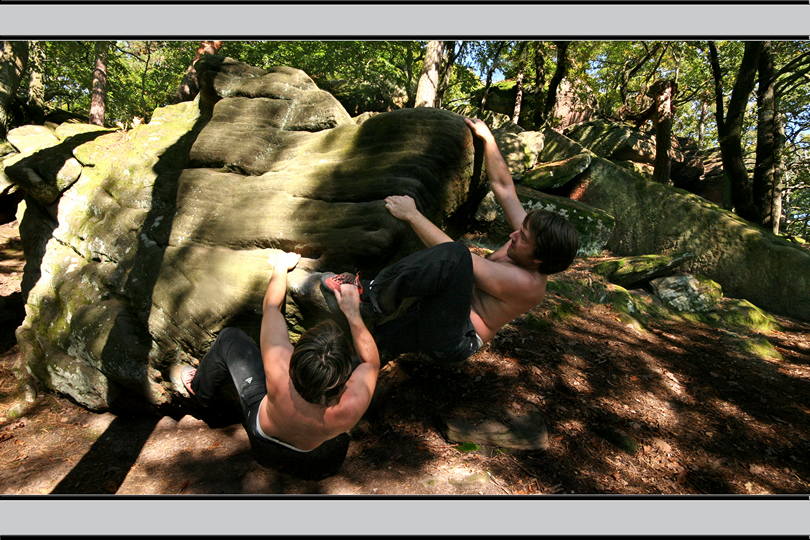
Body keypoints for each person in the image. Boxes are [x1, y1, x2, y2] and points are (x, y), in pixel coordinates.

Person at [322, 117, 579, 365]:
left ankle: (368, 296)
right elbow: (504, 187)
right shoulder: (530, 239)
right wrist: (488, 139)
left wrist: (412, 215)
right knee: (371, 348)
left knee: (457, 255)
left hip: (455, 338)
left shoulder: (528, 284)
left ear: (537, 259)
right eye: (520, 229)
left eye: (522, 237)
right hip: (444, 309)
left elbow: (456, 260)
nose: (513, 234)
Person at [178, 250, 380, 479]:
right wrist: (353, 314)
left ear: (294, 362)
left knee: (230, 338)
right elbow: (370, 362)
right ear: (343, 378)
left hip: (263, 440)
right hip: (310, 452)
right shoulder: (350, 406)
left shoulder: (279, 368)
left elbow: (272, 308)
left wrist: (281, 268)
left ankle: (201, 390)